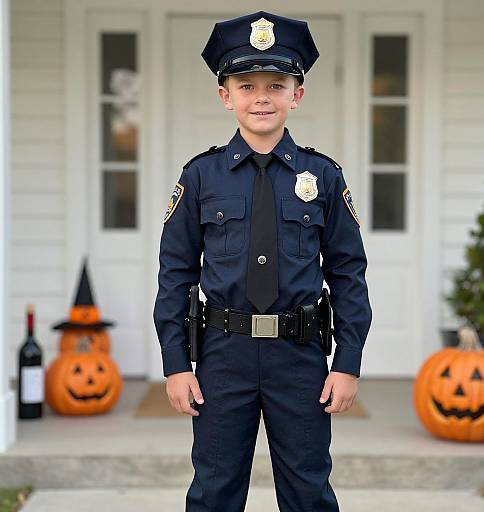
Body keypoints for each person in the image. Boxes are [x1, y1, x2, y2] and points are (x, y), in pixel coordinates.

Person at [153, 10, 372, 512]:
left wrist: (349, 363)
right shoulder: (201, 177)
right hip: (222, 357)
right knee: (213, 491)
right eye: (246, 85)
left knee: (308, 492)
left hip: (300, 358)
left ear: (297, 95)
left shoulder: (325, 177)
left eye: (276, 85)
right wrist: (174, 364)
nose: (261, 98)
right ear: (225, 95)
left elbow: (348, 274)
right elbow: (175, 274)